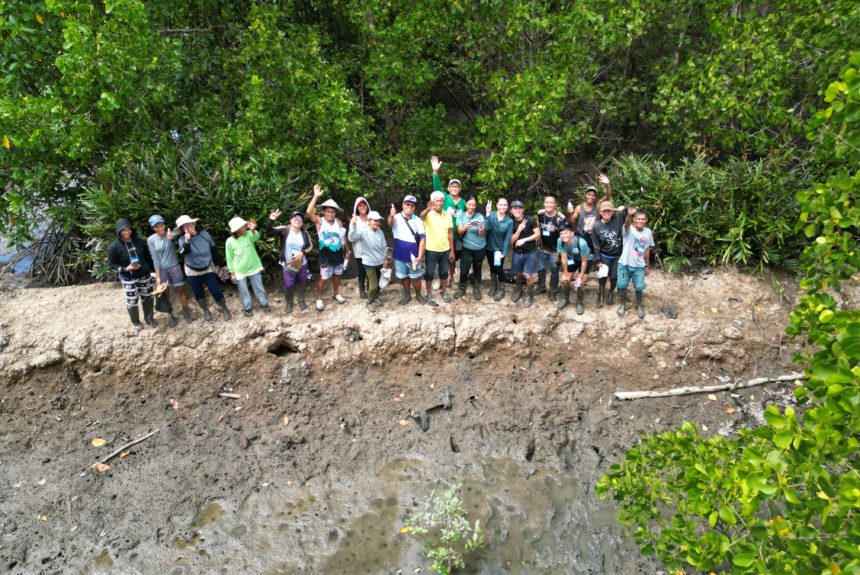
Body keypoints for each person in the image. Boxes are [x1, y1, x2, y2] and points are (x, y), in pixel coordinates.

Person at [176, 215, 232, 321]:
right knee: (198, 293)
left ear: (194, 224)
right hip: (192, 270)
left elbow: (214, 250)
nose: (187, 228)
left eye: (189, 224)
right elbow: (184, 252)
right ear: (182, 230)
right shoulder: (181, 239)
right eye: (184, 227)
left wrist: (220, 265)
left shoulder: (205, 235)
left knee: (215, 290)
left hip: (207, 267)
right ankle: (206, 311)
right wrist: (187, 241)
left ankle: (224, 308)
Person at [306, 184, 350, 311]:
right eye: (328, 211)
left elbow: (343, 237)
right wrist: (315, 196)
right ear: (324, 211)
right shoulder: (320, 222)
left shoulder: (339, 222)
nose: (330, 213)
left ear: (335, 212)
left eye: (332, 211)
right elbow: (309, 212)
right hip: (325, 257)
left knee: (337, 276)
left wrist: (347, 251)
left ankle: (336, 294)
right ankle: (319, 299)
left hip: (338, 255)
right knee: (324, 278)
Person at [107, 218, 156, 331]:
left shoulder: (139, 241)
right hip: (129, 278)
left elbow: (147, 257)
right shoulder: (114, 247)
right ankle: (136, 322)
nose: (126, 232)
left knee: (147, 297)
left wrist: (153, 270)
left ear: (131, 230)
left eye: (128, 229)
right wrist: (125, 269)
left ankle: (149, 318)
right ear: (118, 232)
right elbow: (111, 264)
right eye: (123, 231)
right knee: (132, 300)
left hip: (144, 275)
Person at [147, 214, 192, 325]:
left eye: (161, 225)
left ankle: (186, 311)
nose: (160, 228)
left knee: (180, 290)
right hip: (162, 270)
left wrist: (172, 239)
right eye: (156, 226)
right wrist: (157, 277)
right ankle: (170, 315)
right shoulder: (151, 240)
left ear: (164, 225)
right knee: (165, 293)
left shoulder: (171, 234)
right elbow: (155, 259)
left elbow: (181, 241)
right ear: (153, 228)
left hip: (174, 266)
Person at [267, 209, 312, 313]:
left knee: (302, 281)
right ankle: (289, 303)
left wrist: (302, 252)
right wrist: (271, 220)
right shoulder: (284, 229)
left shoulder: (304, 232)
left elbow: (310, 246)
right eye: (295, 218)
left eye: (300, 219)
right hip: (288, 264)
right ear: (291, 220)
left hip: (302, 263)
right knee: (289, 284)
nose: (298, 220)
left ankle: (301, 300)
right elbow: (269, 232)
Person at [225, 216, 269, 317]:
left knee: (259, 287)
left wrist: (253, 230)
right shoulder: (229, 241)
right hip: (239, 271)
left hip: (254, 267)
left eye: (244, 226)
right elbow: (229, 258)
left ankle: (264, 304)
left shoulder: (249, 234)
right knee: (244, 291)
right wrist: (232, 273)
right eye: (242, 227)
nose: (245, 228)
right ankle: (247, 307)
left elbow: (256, 236)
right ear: (236, 230)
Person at [388, 195, 427, 305]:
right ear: (403, 205)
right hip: (399, 253)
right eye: (407, 204)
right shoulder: (396, 217)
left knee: (415, 277)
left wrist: (420, 256)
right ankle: (407, 295)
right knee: (404, 276)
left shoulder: (418, 220)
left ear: (414, 207)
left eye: (412, 205)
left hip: (413, 255)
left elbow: (423, 239)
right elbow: (389, 223)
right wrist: (391, 215)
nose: (409, 206)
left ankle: (419, 295)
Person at [431, 155, 466, 279]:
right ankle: (442, 280)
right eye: (452, 186)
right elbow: (436, 187)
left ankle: (451, 278)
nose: (454, 188)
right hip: (443, 234)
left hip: (458, 236)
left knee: (453, 258)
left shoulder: (463, 203)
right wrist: (435, 171)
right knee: (442, 258)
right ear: (448, 188)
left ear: (460, 189)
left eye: (457, 186)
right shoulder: (444, 197)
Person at [616, 207, 654, 318]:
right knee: (622, 285)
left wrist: (647, 265)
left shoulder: (648, 232)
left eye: (643, 219)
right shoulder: (628, 230)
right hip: (624, 264)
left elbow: (647, 249)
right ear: (634, 219)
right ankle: (622, 304)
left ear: (646, 220)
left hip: (639, 266)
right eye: (638, 219)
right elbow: (626, 225)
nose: (641, 221)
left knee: (639, 287)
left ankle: (639, 304)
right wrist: (629, 214)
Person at [420, 191, 455, 306]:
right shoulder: (428, 214)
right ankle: (429, 294)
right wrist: (428, 209)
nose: (439, 203)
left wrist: (452, 251)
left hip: (445, 249)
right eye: (436, 200)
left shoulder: (448, 215)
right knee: (429, 273)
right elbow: (421, 216)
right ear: (432, 202)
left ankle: (444, 292)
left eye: (441, 201)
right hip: (431, 249)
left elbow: (450, 233)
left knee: (444, 272)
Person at [590, 201, 628, 308]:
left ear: (613, 211)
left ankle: (611, 293)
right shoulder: (597, 225)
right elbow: (595, 245)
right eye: (604, 211)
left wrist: (623, 207)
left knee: (614, 276)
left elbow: (634, 209)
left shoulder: (619, 218)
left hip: (618, 255)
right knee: (603, 276)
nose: (607, 213)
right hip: (604, 255)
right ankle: (601, 295)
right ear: (600, 213)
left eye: (609, 210)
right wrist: (597, 260)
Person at [348, 210, 388, 312]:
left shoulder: (380, 232)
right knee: (373, 284)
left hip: (379, 262)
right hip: (368, 263)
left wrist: (385, 258)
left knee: (378, 284)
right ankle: (369, 302)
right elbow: (351, 237)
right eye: (375, 221)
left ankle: (376, 297)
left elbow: (384, 246)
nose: (377, 223)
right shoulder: (363, 231)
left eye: (378, 221)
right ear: (369, 221)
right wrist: (352, 224)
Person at [509, 200, 541, 308]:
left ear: (523, 209)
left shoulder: (531, 220)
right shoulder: (510, 222)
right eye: (515, 208)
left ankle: (530, 294)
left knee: (528, 276)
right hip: (517, 252)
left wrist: (525, 239)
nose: (517, 210)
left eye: (519, 208)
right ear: (511, 211)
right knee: (517, 273)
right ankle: (519, 290)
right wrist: (519, 230)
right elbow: (511, 241)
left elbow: (538, 234)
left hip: (530, 252)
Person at [535, 193, 567, 301]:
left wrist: (560, 252)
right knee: (541, 268)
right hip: (542, 247)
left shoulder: (560, 218)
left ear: (555, 204)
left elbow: (563, 235)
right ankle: (541, 286)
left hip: (555, 250)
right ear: (544, 203)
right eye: (547, 202)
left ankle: (553, 290)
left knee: (554, 270)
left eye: (551, 202)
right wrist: (537, 239)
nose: (549, 204)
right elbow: (537, 224)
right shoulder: (540, 213)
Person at [568, 173, 611, 251]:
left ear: (595, 197)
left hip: (594, 237)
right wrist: (570, 212)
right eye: (589, 194)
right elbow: (571, 222)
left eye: (593, 195)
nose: (590, 197)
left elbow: (607, 197)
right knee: (582, 258)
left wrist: (607, 184)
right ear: (585, 195)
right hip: (582, 237)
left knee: (593, 259)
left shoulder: (598, 206)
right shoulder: (579, 208)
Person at [454, 197, 487, 299]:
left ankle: (476, 288)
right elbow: (459, 231)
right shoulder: (461, 215)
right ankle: (462, 288)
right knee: (464, 269)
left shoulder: (480, 216)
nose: (471, 207)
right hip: (466, 248)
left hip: (480, 248)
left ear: (475, 206)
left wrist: (481, 228)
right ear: (466, 205)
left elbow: (483, 235)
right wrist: (466, 227)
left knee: (477, 269)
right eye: (469, 204)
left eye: (473, 205)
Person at [557, 226, 593, 314]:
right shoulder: (560, 241)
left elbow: (584, 262)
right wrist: (566, 273)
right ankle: (565, 298)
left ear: (572, 234)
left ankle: (579, 302)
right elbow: (563, 259)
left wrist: (580, 277)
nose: (564, 235)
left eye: (566, 233)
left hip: (585, 260)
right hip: (572, 259)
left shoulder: (582, 243)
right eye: (561, 234)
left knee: (580, 283)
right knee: (565, 280)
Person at [483, 197, 513, 301]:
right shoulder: (491, 215)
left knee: (499, 268)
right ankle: (493, 285)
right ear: (497, 205)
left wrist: (503, 252)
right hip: (489, 247)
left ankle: (501, 289)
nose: (502, 207)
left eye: (505, 205)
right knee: (492, 266)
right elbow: (485, 228)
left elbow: (507, 239)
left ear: (507, 207)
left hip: (499, 250)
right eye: (501, 204)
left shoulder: (509, 221)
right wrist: (487, 213)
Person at [351, 196, 372, 299]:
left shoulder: (371, 218)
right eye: (360, 205)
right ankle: (362, 291)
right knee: (361, 271)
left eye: (365, 205)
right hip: (359, 250)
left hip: (371, 250)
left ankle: (369, 289)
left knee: (370, 271)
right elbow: (351, 237)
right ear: (357, 207)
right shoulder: (355, 219)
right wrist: (353, 224)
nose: (363, 207)